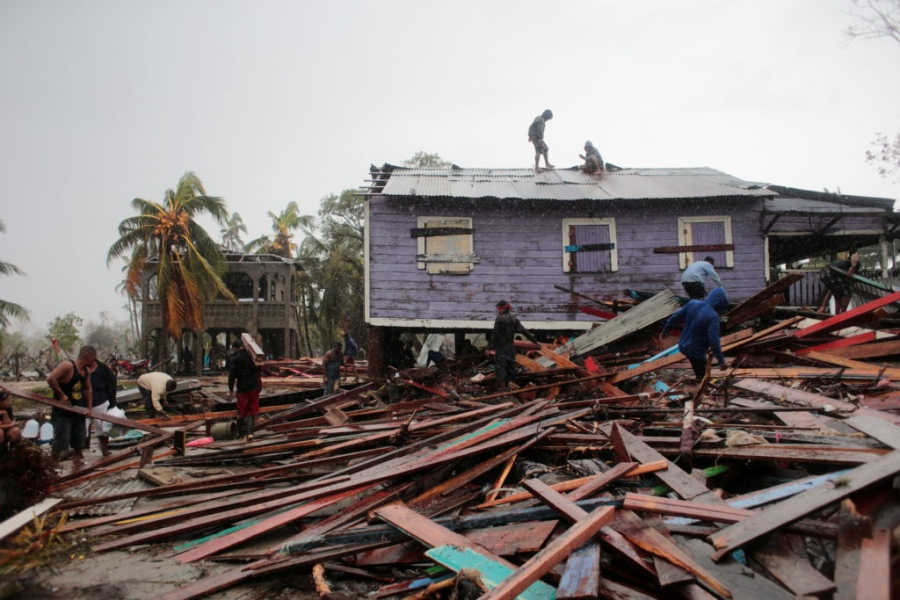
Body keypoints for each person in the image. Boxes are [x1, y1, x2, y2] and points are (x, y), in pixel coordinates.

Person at [661, 287, 730, 379]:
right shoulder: (713, 317)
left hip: (683, 345)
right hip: (696, 351)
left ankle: (699, 378)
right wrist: (721, 361)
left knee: (699, 367)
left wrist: (665, 331)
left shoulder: (692, 303)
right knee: (704, 376)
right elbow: (714, 340)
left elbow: (674, 318)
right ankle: (701, 382)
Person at [46, 346, 97, 464]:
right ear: (87, 356)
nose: (94, 361)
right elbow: (50, 378)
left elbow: (88, 389)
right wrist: (61, 395)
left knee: (79, 438)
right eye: (93, 358)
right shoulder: (68, 366)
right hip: (63, 411)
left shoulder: (86, 371)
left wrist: (89, 408)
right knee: (61, 439)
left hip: (78, 409)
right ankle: (52, 464)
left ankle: (77, 461)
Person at [488, 300, 540, 390]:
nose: (497, 311)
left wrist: (489, 347)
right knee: (511, 366)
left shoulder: (499, 318)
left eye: (498, 309)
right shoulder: (513, 319)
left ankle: (503, 389)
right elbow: (524, 331)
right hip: (511, 347)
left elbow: (494, 334)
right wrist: (535, 341)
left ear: (502, 309)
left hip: (501, 347)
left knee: (501, 367)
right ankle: (511, 386)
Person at [227, 339, 262, 440]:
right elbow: (259, 369)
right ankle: (250, 433)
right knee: (251, 410)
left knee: (241, 411)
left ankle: (240, 433)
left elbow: (232, 375)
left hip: (243, 388)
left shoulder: (236, 359)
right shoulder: (253, 356)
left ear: (235, 348)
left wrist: (230, 388)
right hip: (254, 387)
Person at [89, 359, 118, 456]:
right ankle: (79, 451)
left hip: (100, 402)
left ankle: (105, 449)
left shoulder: (102, 369)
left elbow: (112, 383)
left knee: (103, 428)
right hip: (84, 403)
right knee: (82, 429)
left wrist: (112, 401)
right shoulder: (81, 369)